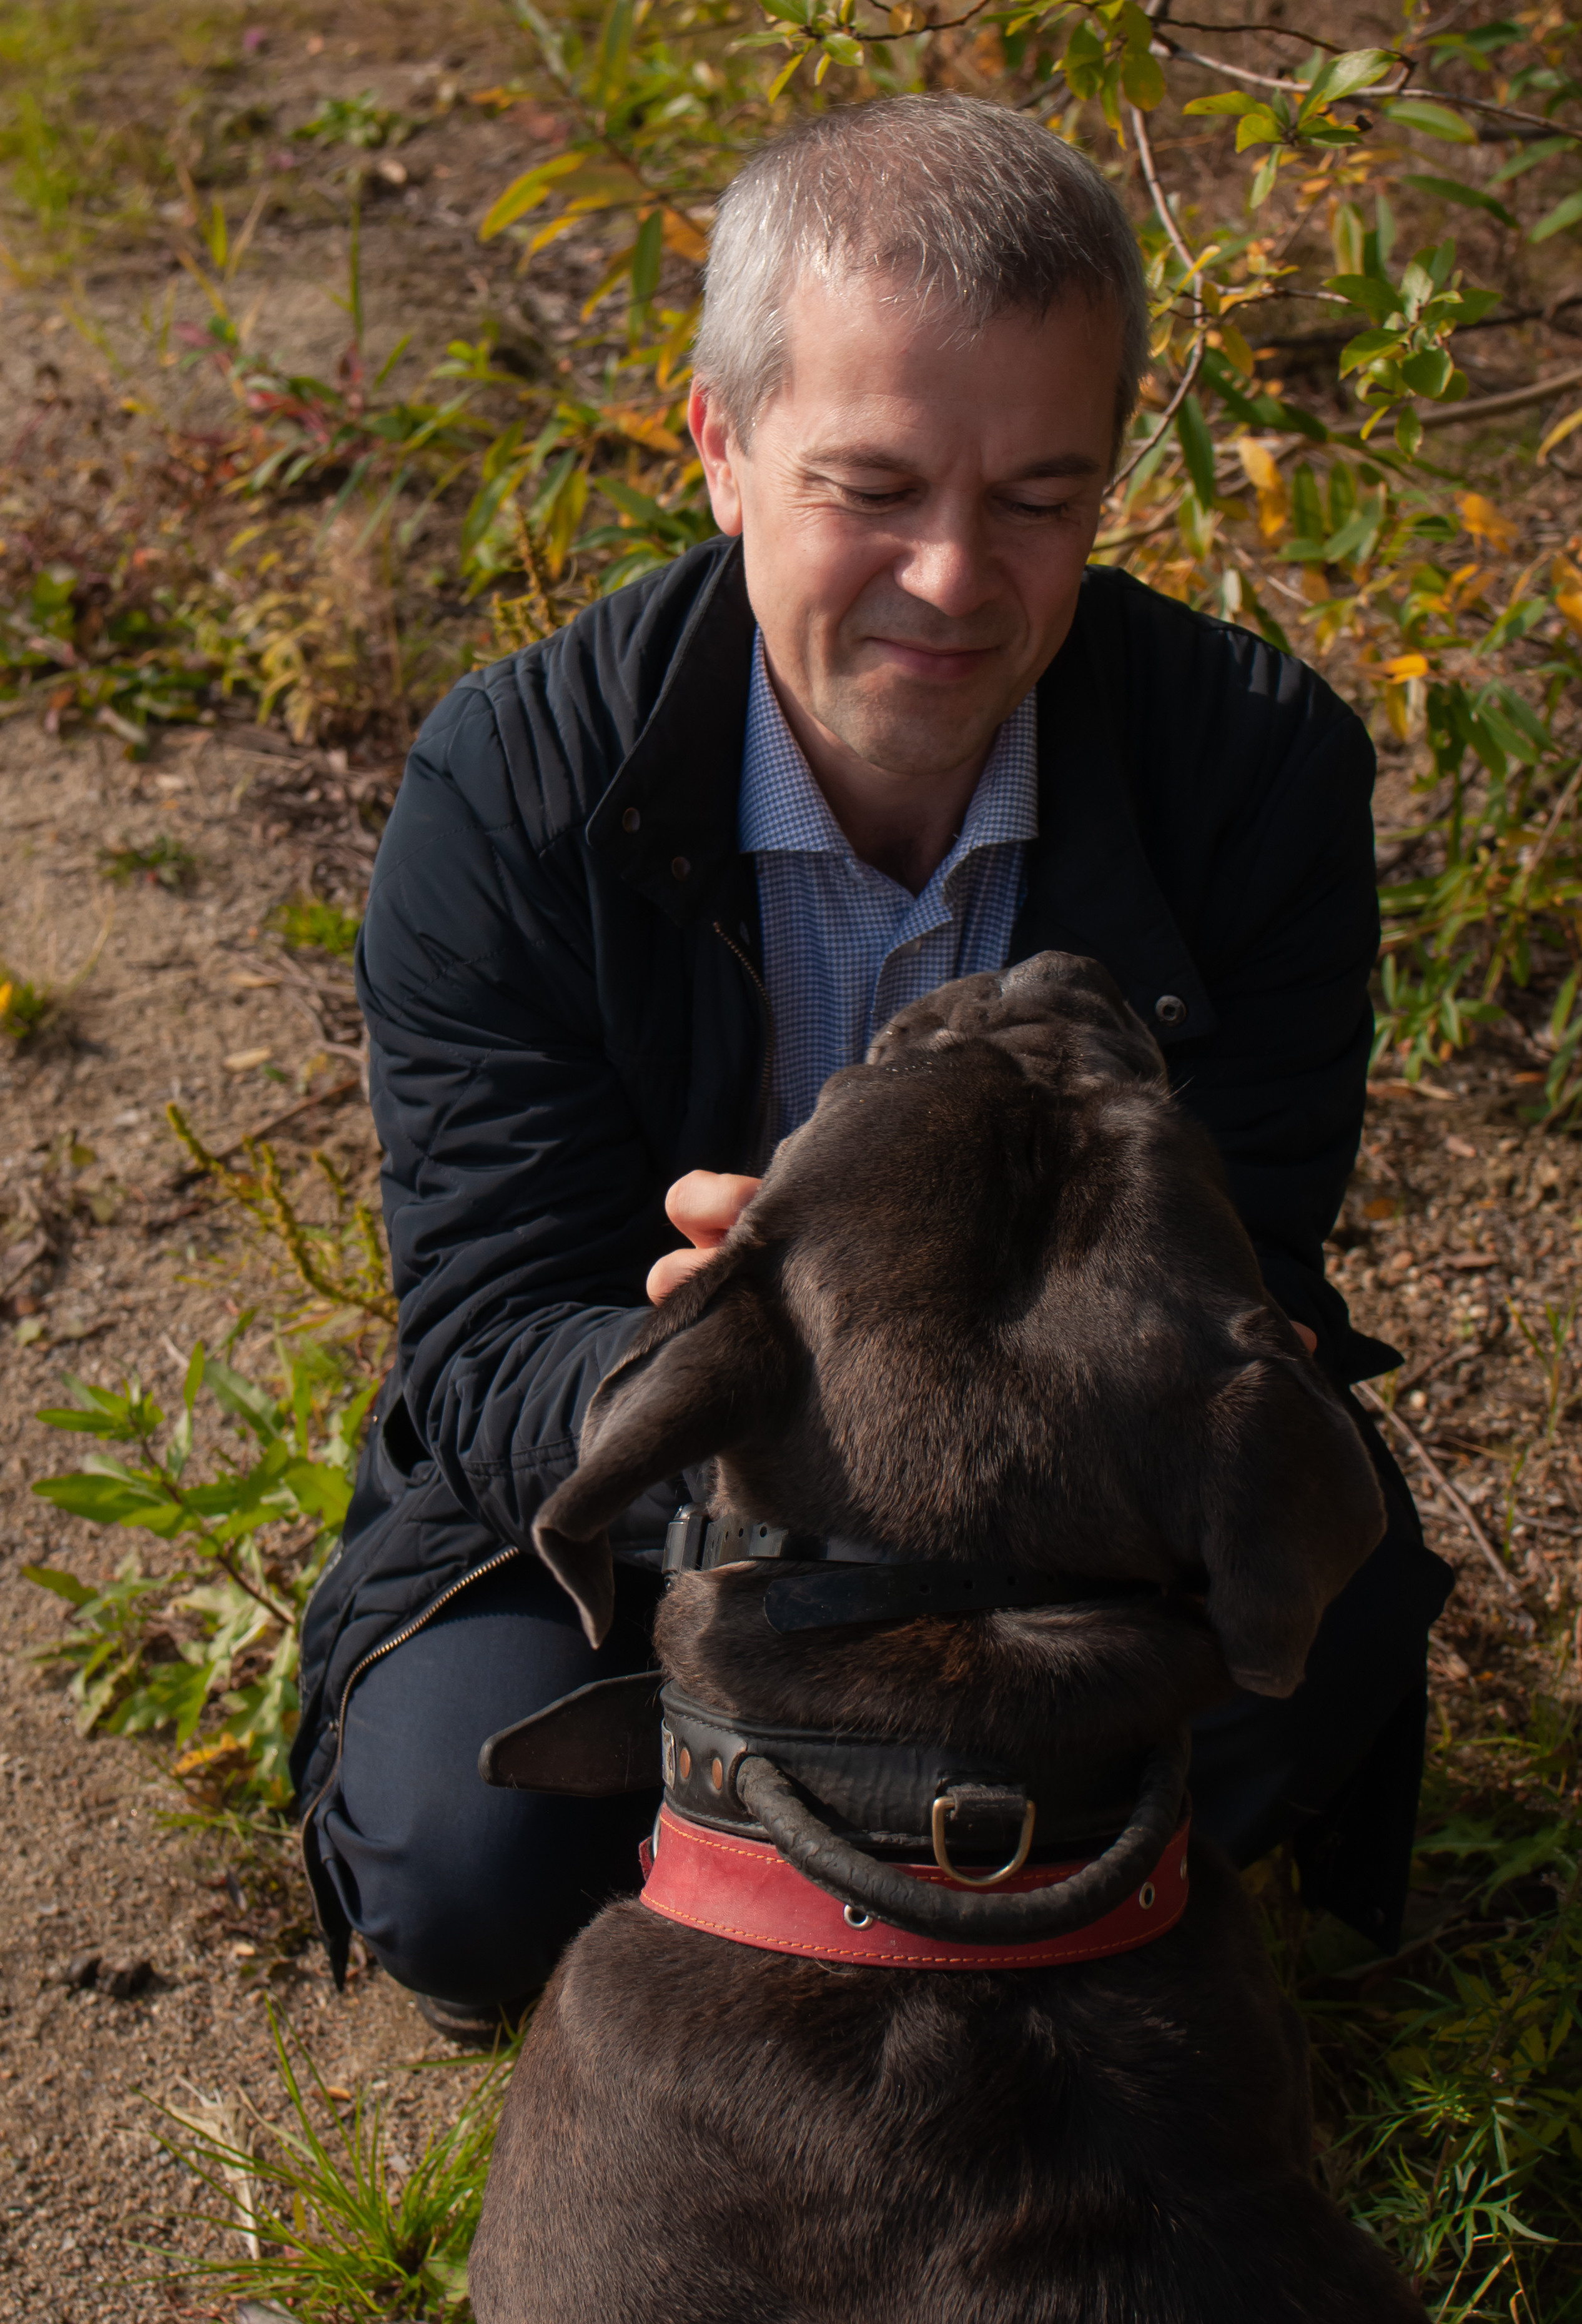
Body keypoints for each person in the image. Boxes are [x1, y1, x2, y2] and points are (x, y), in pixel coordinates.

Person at [291, 92, 1451, 2040]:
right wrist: (733, 1368)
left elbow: (1253, 1263)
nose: (952, 581)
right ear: (722, 447)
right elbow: (488, 1340)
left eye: (1036, 499)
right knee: (468, 1871)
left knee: (1289, 1713)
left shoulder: (1258, 768)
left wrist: (887, 1368)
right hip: (654, 1494)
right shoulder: (508, 794)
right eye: (873, 485)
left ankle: (842, 1864)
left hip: (1085, 1502)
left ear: (1106, 486)